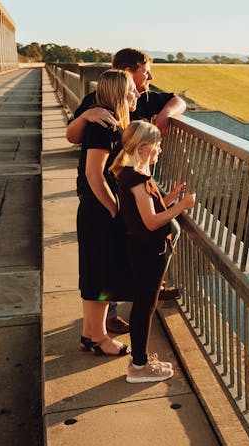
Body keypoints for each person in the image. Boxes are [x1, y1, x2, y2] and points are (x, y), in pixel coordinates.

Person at [67, 48, 187, 334]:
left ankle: (104, 324)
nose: (148, 80)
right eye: (145, 72)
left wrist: (165, 115)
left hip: (121, 193)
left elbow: (177, 100)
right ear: (126, 74)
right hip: (104, 198)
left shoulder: (134, 103)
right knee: (100, 268)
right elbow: (92, 170)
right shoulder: (101, 117)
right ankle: (100, 330)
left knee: (108, 265)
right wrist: (114, 209)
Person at [110, 121, 195, 382]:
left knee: (145, 304)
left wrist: (169, 198)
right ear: (144, 147)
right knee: (144, 307)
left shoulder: (130, 172)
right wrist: (182, 205)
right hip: (149, 251)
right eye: (157, 144)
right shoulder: (137, 180)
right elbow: (151, 221)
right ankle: (139, 367)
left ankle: (141, 360)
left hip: (144, 249)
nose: (160, 148)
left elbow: (149, 208)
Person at [76, 70, 140, 356]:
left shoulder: (108, 123)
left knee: (94, 275)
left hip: (95, 209)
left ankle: (89, 334)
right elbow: (94, 174)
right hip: (99, 210)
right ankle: (100, 339)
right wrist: (115, 210)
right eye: (131, 91)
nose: (137, 94)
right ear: (118, 94)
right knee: (101, 277)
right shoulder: (104, 127)